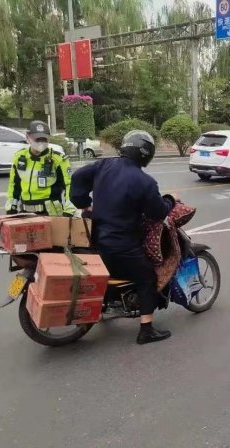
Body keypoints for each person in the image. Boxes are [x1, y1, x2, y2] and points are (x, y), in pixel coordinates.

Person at [69, 130, 179, 344]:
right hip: (123, 247)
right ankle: (146, 330)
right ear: (146, 154)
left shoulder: (104, 165)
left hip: (97, 241)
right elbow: (158, 213)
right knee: (148, 278)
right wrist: (170, 200)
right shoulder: (145, 182)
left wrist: (83, 203)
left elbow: (77, 177)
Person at [5, 120, 76, 216]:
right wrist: (11, 207)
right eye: (37, 139)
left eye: (44, 139)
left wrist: (69, 211)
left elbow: (69, 186)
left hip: (51, 213)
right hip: (26, 212)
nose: (41, 142)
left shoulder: (58, 159)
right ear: (27, 137)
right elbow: (14, 184)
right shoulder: (19, 157)